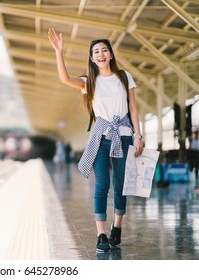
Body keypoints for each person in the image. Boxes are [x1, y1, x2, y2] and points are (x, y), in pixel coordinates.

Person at [48, 28, 143, 253]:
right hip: (100, 137)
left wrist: (138, 136)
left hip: (124, 135)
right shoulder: (89, 81)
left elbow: (132, 108)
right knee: (102, 185)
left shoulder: (124, 76)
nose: (100, 54)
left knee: (121, 186)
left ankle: (116, 226)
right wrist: (59, 52)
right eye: (96, 52)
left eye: (104, 50)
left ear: (110, 54)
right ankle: (101, 233)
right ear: (91, 58)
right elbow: (64, 78)